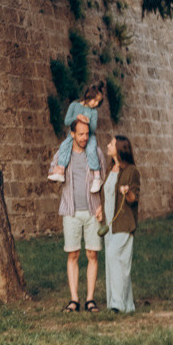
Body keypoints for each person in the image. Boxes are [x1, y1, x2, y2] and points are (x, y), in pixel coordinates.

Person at [57, 112, 106, 312]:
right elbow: (53, 172)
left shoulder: (96, 153)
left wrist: (102, 206)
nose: (85, 138)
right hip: (71, 211)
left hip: (93, 211)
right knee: (73, 254)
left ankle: (90, 299)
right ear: (72, 134)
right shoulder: (63, 153)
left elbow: (103, 181)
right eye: (80, 134)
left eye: (87, 134)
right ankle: (74, 300)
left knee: (92, 254)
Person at [101, 134, 140, 314]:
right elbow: (107, 194)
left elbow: (134, 198)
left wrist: (127, 192)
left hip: (124, 223)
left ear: (120, 148)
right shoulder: (111, 169)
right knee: (117, 263)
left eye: (112, 143)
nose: (108, 145)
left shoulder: (132, 171)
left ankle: (117, 304)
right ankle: (125, 305)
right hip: (109, 223)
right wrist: (100, 209)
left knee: (114, 256)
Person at [47, 81, 104, 191]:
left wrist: (87, 121)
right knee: (64, 146)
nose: (96, 104)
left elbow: (93, 129)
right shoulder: (74, 105)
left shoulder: (94, 112)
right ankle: (61, 170)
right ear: (88, 95)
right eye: (94, 100)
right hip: (73, 134)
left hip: (89, 136)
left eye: (98, 102)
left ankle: (97, 177)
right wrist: (77, 117)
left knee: (91, 149)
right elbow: (67, 121)